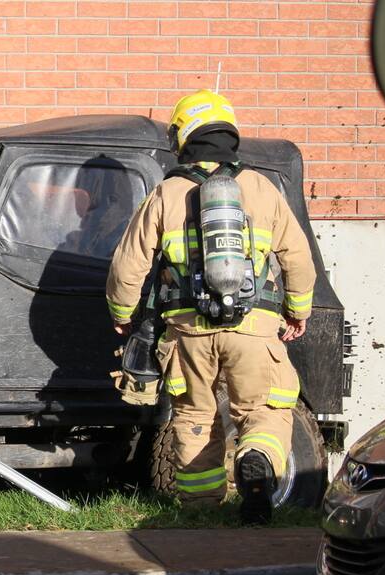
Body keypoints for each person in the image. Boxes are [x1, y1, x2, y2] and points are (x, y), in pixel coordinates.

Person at [106, 90, 316, 524]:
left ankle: (202, 513)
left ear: (183, 137)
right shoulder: (261, 188)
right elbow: (298, 258)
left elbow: (128, 266)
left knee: (195, 416)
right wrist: (298, 311)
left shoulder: (168, 192)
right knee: (263, 411)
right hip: (254, 329)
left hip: (188, 333)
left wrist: (123, 316)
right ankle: (256, 462)